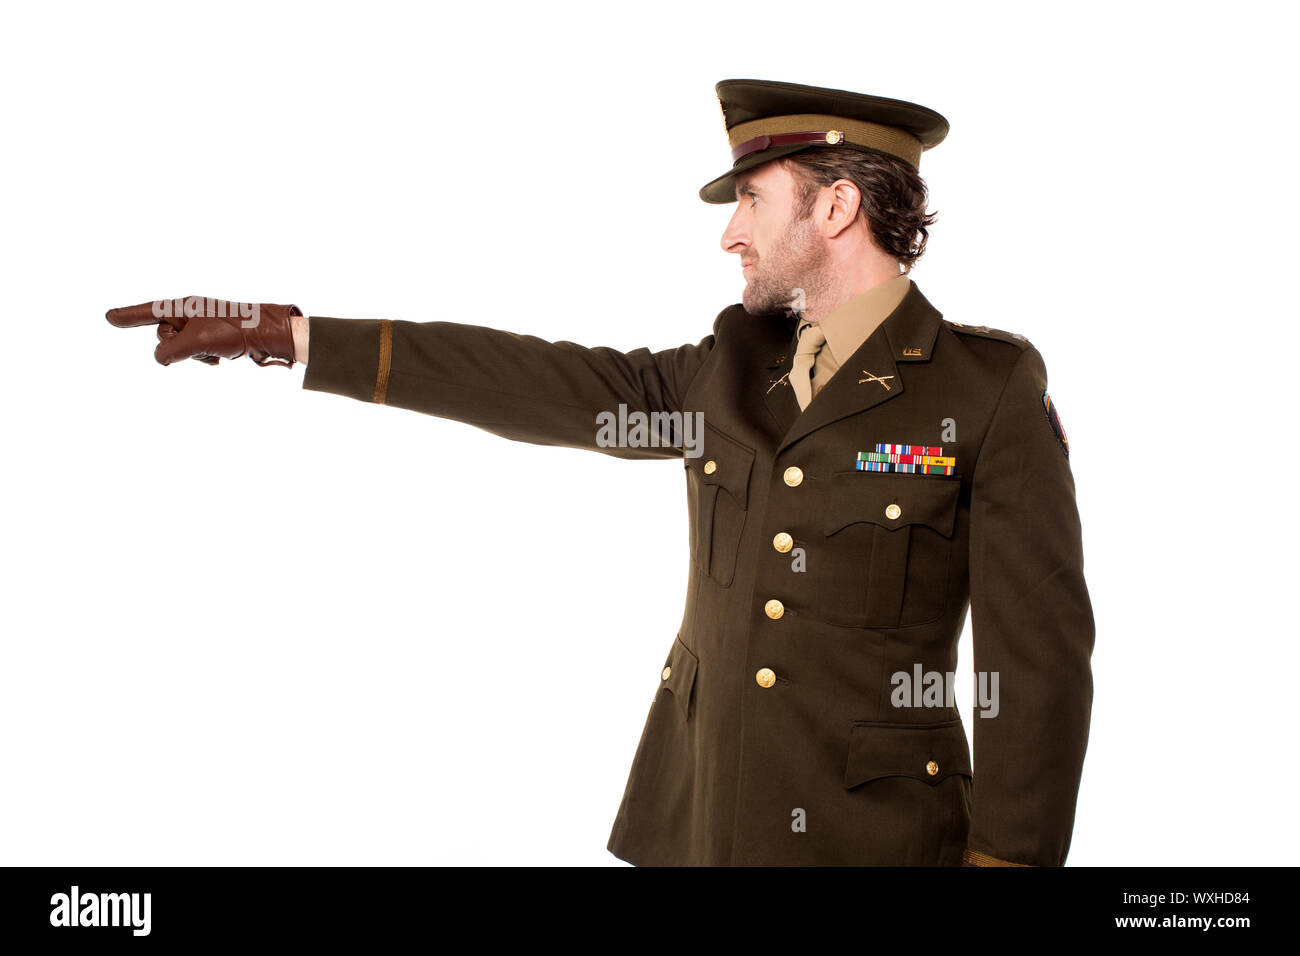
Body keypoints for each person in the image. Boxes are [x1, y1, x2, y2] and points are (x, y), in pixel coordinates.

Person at [106, 78, 1094, 866]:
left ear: (836, 205)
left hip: (873, 840)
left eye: (751, 198)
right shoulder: (729, 366)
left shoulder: (987, 387)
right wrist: (296, 338)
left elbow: (1034, 662)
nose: (729, 232)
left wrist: (1006, 861)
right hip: (702, 819)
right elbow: (542, 383)